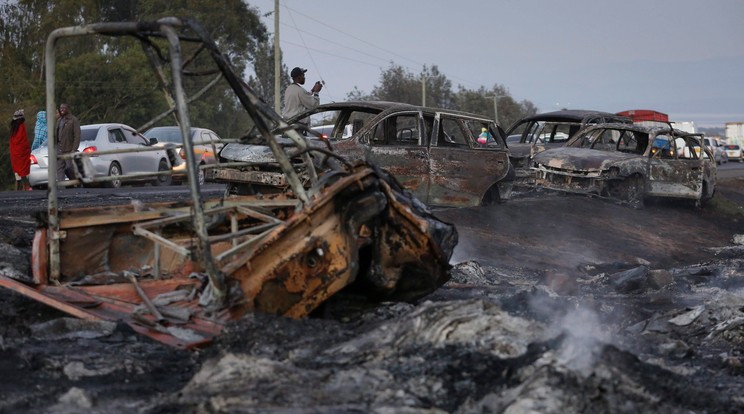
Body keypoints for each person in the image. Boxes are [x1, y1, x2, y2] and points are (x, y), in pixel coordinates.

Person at [282, 67, 322, 134]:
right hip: (298, 128)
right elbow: (315, 105)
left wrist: (312, 90)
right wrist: (316, 92)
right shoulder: (300, 91)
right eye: (303, 75)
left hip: (289, 125)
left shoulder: (289, 89)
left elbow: (303, 98)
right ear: (298, 77)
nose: (304, 78)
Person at [56, 103, 81, 182]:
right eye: (60, 108)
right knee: (59, 169)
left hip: (69, 149)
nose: (62, 109)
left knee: (69, 167)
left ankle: (76, 181)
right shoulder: (59, 120)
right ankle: (62, 187)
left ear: (68, 109)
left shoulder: (73, 120)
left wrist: (74, 149)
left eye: (64, 108)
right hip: (59, 149)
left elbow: (77, 135)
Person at [9, 109, 31, 190]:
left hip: (14, 154)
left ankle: (18, 190)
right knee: (24, 171)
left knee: (17, 173)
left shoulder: (13, 128)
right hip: (22, 154)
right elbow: (24, 142)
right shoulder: (21, 127)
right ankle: (27, 187)